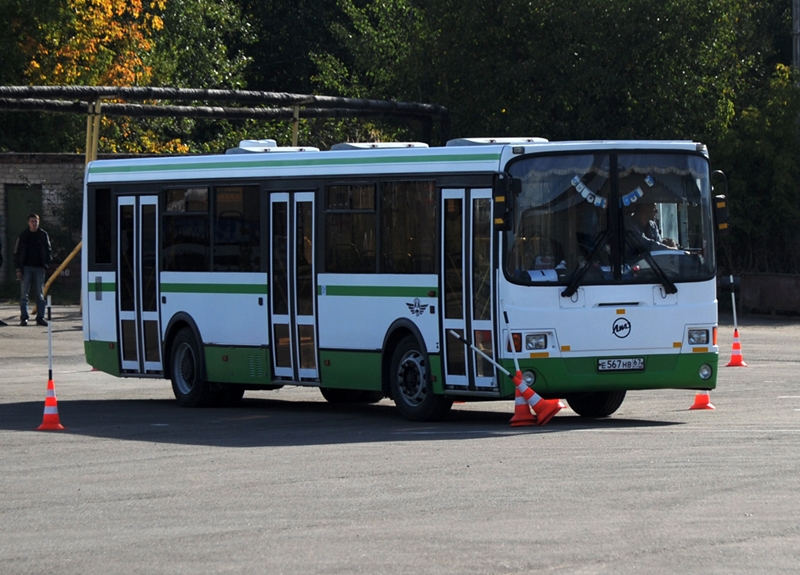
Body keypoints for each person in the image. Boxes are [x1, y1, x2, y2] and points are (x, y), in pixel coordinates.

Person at [13, 213, 52, 326]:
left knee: (40, 293)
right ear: (28, 222)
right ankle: (24, 317)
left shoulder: (43, 235)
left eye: (36, 221)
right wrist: (18, 269)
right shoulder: (24, 235)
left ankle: (40, 317)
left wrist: (46, 264)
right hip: (26, 267)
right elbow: (17, 253)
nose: (34, 223)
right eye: (32, 221)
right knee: (24, 294)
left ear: (38, 222)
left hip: (40, 267)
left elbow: (48, 250)